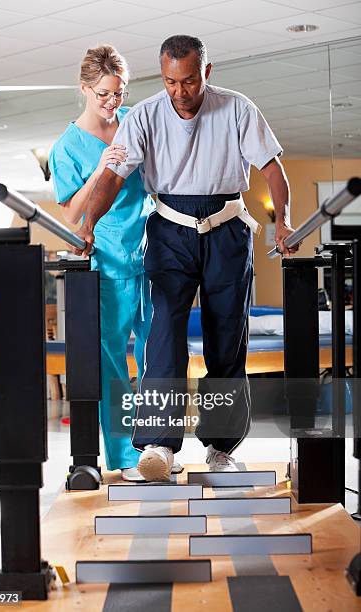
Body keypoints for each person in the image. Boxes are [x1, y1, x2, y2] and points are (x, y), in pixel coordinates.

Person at [73, 35, 299, 482]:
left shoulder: (237, 108)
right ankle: (159, 445)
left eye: (190, 81)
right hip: (170, 231)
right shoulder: (145, 115)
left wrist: (284, 221)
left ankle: (220, 446)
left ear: (206, 73)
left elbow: (271, 167)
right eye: (171, 81)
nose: (180, 91)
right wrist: (87, 225)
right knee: (163, 338)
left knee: (226, 339)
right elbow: (114, 177)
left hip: (226, 231)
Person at [49, 45, 182, 481]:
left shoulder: (132, 125)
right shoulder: (67, 147)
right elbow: (70, 215)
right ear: (85, 88)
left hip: (153, 254)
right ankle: (125, 457)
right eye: (105, 93)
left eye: (119, 92)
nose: (113, 102)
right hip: (106, 265)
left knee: (159, 358)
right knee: (112, 367)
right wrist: (98, 171)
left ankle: (158, 448)